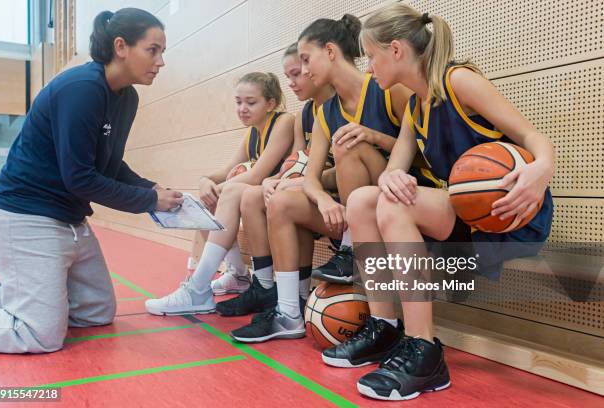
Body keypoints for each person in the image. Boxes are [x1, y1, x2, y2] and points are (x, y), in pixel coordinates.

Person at [327, 3, 554, 400]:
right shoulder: (415, 105)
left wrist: (540, 172)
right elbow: (391, 172)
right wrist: (392, 174)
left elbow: (536, 139)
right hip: (467, 215)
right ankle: (385, 327)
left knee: (392, 205)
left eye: (371, 57)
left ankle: (425, 351)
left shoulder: (459, 81)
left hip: (510, 215)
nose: (368, 69)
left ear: (396, 50)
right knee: (364, 199)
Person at [0, 8, 183, 354]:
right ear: (121, 46)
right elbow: (80, 178)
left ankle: (8, 291)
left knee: (96, 313)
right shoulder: (81, 88)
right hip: (27, 215)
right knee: (39, 335)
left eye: (162, 52)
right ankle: (16, 295)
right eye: (153, 50)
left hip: (70, 220)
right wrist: (149, 202)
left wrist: (149, 187)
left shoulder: (127, 98)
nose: (160, 61)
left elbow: (107, 164)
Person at [230, 14, 417, 343]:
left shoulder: (390, 90)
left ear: (330, 51)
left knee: (350, 146)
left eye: (305, 60)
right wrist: (321, 198)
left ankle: (352, 254)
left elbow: (419, 149)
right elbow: (313, 177)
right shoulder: (325, 113)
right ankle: (289, 312)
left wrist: (373, 136)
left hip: (398, 203)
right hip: (347, 211)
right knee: (284, 202)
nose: (302, 71)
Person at [145, 72, 294, 315]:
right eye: (238, 102)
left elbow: (257, 175)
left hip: (282, 197)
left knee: (230, 191)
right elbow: (225, 172)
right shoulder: (253, 133)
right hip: (263, 199)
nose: (242, 108)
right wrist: (205, 181)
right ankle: (237, 274)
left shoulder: (284, 121)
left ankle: (197, 288)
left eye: (250, 102)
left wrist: (219, 189)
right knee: (213, 197)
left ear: (270, 103)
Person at [215, 42, 336, 317]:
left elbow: (336, 169)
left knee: (281, 200)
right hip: (311, 192)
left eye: (299, 72)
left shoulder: (332, 108)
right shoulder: (305, 114)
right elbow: (296, 163)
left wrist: (297, 182)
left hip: (336, 200)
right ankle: (265, 286)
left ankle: (294, 300)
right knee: (253, 194)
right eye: (290, 75)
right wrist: (277, 180)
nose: (293, 82)